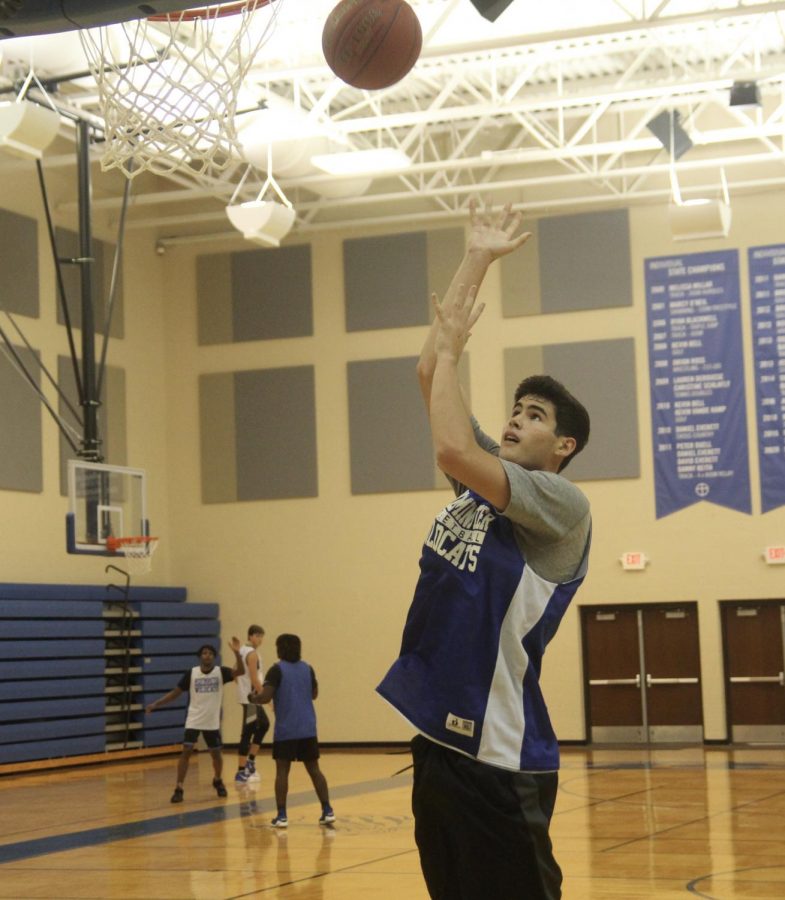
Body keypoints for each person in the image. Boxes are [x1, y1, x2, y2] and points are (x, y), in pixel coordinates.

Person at [376, 201, 592, 900]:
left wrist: (450, 353)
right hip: (438, 740)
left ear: (562, 448)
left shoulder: (559, 504)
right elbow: (425, 375)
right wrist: (475, 259)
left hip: (499, 753)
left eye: (533, 417)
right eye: (515, 408)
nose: (513, 418)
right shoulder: (478, 490)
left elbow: (447, 442)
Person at [249, 633, 335, 829]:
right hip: (307, 727)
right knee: (314, 770)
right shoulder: (307, 668)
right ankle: (327, 810)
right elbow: (314, 694)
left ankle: (282, 815)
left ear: (280, 649)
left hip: (286, 729)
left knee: (282, 772)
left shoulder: (276, 670)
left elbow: (265, 697)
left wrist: (253, 697)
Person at [145, 640, 244, 804]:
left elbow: (240, 671)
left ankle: (218, 780)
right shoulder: (192, 673)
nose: (208, 655)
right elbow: (175, 693)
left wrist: (236, 653)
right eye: (205, 653)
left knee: (216, 755)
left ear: (214, 657)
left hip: (211, 721)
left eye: (211, 653)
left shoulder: (221, 672)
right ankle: (179, 787)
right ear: (200, 657)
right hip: (194, 718)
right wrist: (156, 704)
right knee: (187, 751)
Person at [234, 624, 270, 785]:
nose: (260, 639)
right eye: (257, 635)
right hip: (252, 699)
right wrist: (266, 697)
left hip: (247, 697)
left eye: (262, 636)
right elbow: (255, 679)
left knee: (263, 725)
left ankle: (250, 761)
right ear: (250, 636)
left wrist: (241, 687)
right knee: (248, 732)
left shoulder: (241, 650)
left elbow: (235, 672)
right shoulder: (252, 654)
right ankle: (241, 771)